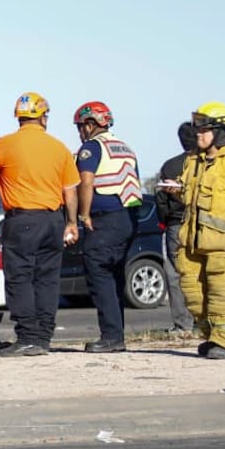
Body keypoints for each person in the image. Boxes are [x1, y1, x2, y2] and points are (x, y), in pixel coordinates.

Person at [0, 92, 80, 357]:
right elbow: (70, 191)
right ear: (43, 117)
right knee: (47, 280)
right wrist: (71, 223)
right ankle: (43, 337)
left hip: (22, 220)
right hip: (53, 219)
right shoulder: (60, 148)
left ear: (19, 117)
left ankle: (27, 337)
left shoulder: (5, 144)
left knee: (19, 278)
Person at [174, 101, 225, 360]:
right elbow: (189, 194)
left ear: (219, 132)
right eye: (197, 130)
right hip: (192, 243)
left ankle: (224, 341)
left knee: (223, 295)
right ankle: (210, 337)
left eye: (204, 130)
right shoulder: (193, 161)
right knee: (193, 293)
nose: (198, 135)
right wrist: (175, 190)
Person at [73, 101, 143, 353]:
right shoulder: (125, 147)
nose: (80, 132)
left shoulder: (92, 147)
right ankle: (117, 334)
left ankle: (111, 337)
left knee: (98, 273)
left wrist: (83, 214)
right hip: (128, 217)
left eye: (80, 127)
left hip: (106, 218)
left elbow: (86, 182)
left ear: (90, 124)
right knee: (114, 275)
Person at [155, 122, 198, 334]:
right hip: (203, 225)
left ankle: (183, 324)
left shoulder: (171, 166)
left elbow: (160, 197)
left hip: (176, 225)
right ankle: (205, 320)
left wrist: (166, 220)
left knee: (176, 273)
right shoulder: (208, 164)